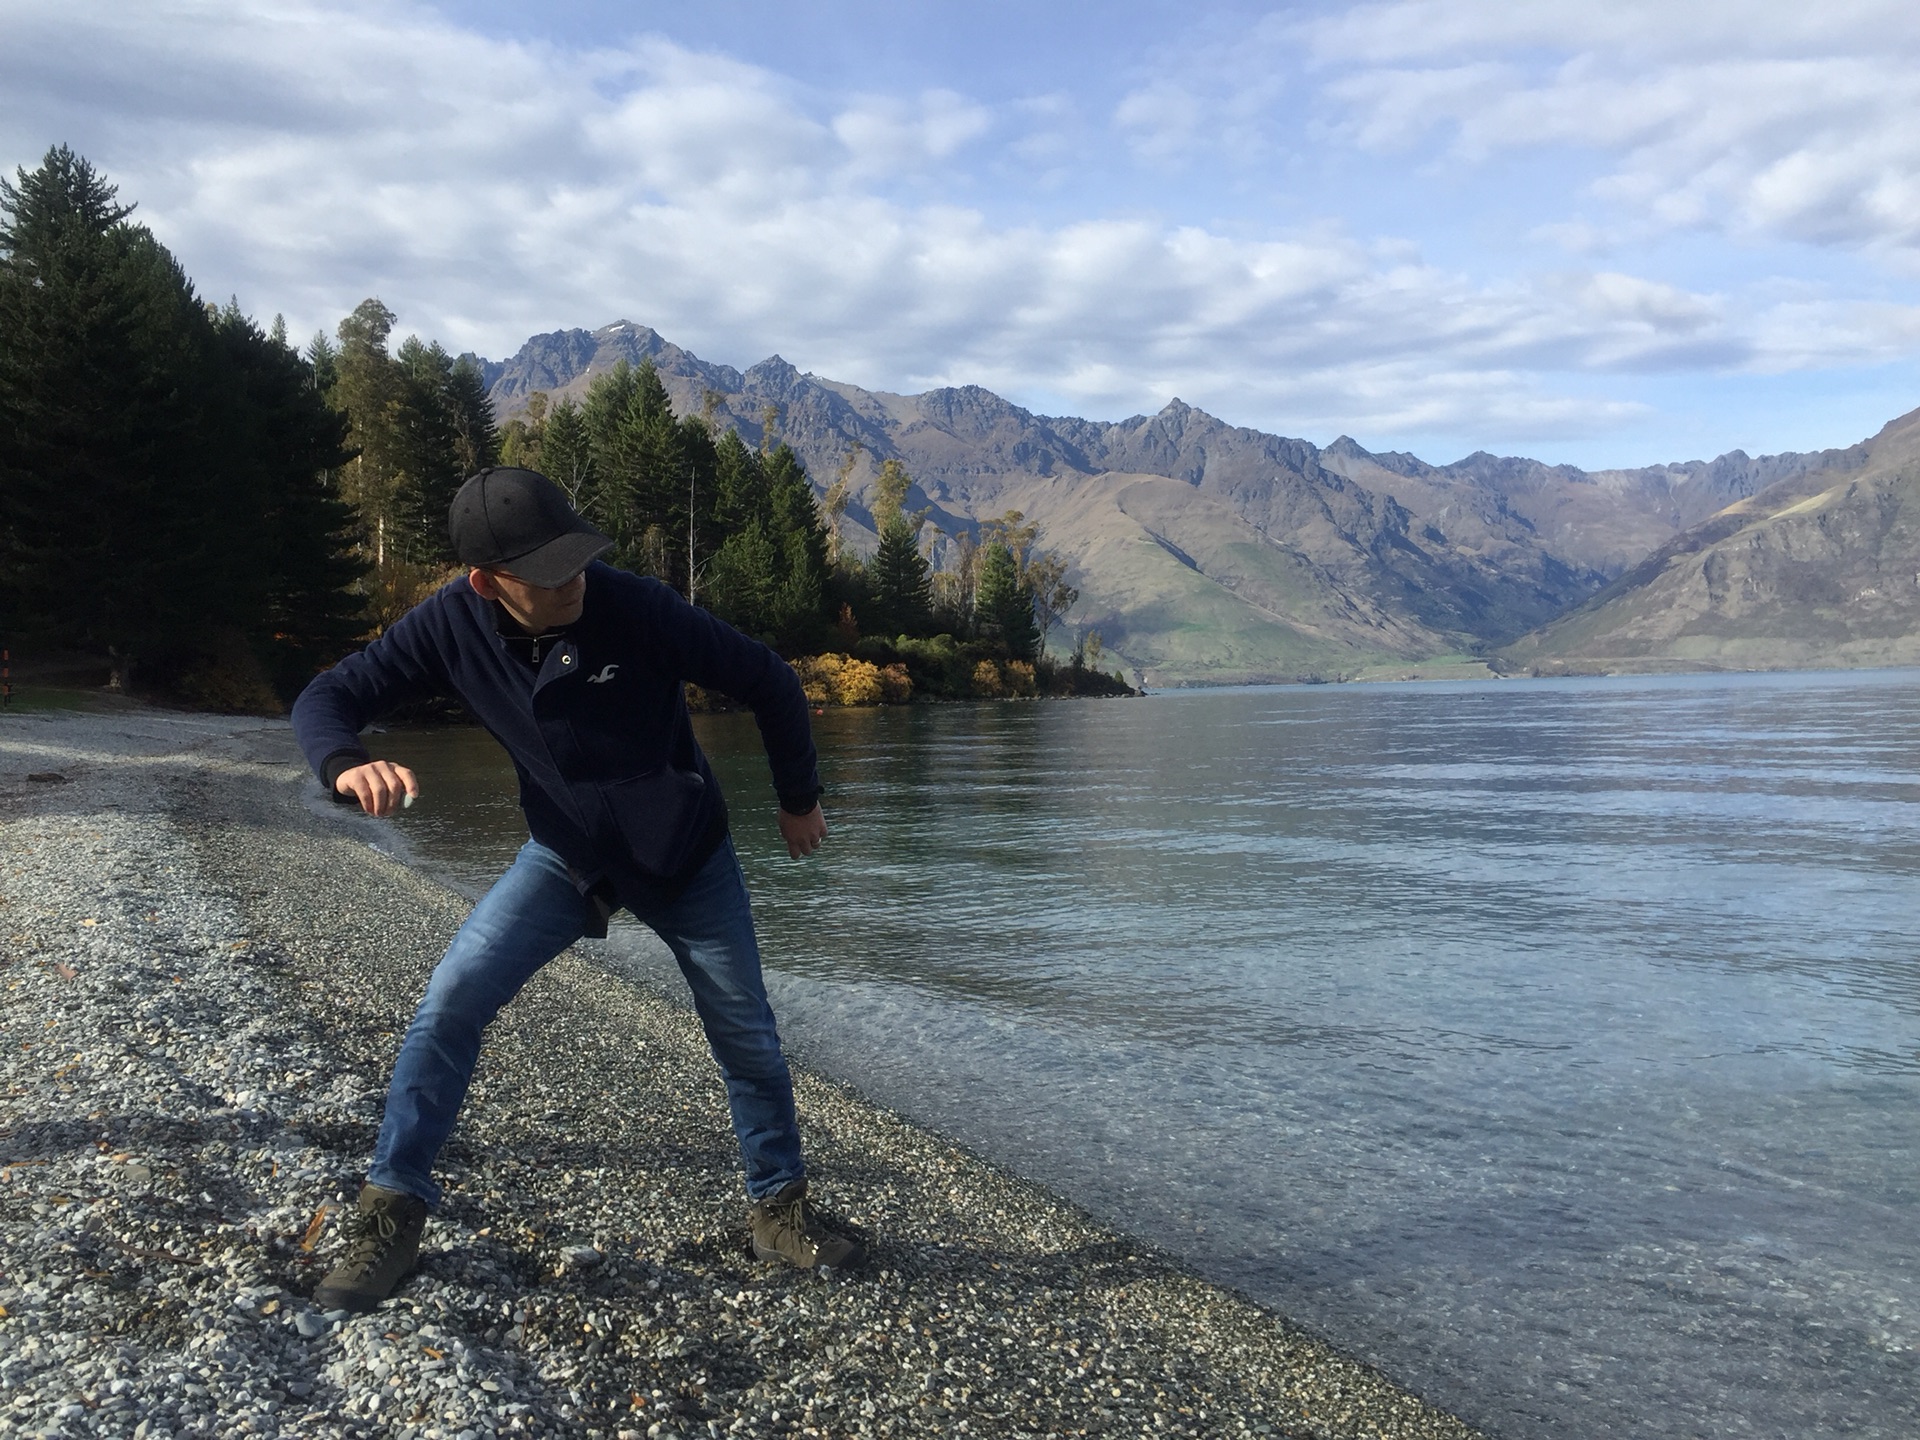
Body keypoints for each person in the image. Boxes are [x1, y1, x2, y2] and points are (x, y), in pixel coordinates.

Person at [291, 466, 862, 1313]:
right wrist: (345, 761)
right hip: (565, 859)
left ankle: (779, 1207)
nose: (574, 582)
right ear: (489, 583)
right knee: (449, 1003)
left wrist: (799, 799)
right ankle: (391, 1215)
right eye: (549, 573)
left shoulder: (636, 607)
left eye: (579, 560)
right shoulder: (450, 624)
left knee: (745, 1032)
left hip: (685, 859)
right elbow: (328, 695)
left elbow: (770, 681)